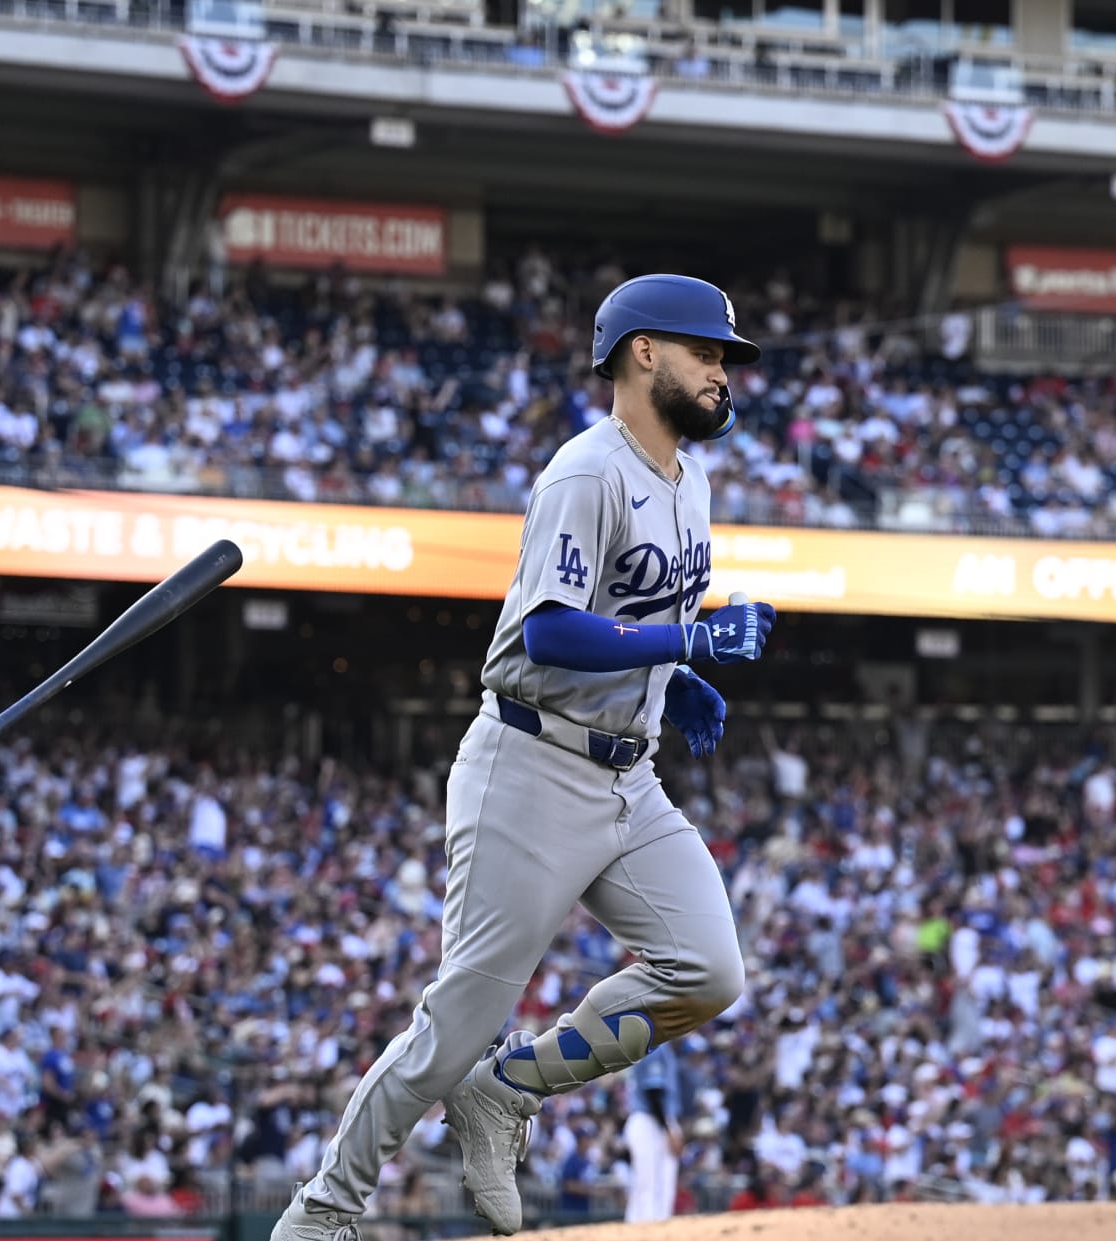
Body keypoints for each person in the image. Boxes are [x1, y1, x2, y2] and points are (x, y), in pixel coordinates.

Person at [273, 274, 775, 1241]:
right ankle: (320, 1213)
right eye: (707, 353)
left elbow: (633, 615)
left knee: (709, 970)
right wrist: (689, 643)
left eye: (725, 358)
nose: (723, 373)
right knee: (455, 1021)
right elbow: (548, 630)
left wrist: (677, 673)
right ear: (643, 353)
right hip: (531, 766)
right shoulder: (586, 472)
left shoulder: (691, 479)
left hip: (628, 775)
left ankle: (506, 1089)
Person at [621, 1045, 683, 1223]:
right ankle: (646, 1225)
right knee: (650, 1180)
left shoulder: (658, 1046)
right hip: (649, 1120)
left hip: (654, 1119)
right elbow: (653, 1092)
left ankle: (651, 1224)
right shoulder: (656, 1046)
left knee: (654, 1179)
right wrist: (668, 1129)